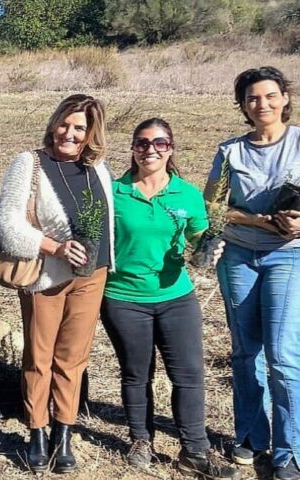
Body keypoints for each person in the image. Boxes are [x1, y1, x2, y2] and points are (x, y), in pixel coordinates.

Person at [101, 118, 240, 478]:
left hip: (177, 296)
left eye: (159, 143)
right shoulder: (114, 192)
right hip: (124, 296)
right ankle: (140, 440)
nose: (151, 149)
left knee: (189, 374)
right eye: (143, 143)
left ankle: (194, 450)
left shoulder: (188, 195)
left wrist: (209, 247)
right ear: (132, 148)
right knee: (136, 374)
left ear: (171, 149)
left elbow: (198, 239)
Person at [0, 94, 113, 474]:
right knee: (39, 357)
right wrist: (55, 248)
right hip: (47, 276)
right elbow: (9, 225)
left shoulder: (98, 168)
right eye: (65, 123)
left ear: (91, 133)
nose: (70, 132)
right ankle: (37, 431)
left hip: (90, 277)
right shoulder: (29, 164)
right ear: (54, 123)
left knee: (73, 359)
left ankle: (64, 432)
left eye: (80, 127)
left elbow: (108, 222)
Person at [208, 66, 300, 480]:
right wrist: (262, 222)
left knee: (282, 355)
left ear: (284, 98)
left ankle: (290, 451)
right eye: (251, 98)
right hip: (240, 256)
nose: (261, 104)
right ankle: (250, 434)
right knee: (247, 352)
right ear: (242, 105)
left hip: (290, 256)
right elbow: (212, 208)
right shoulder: (230, 152)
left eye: (269, 96)